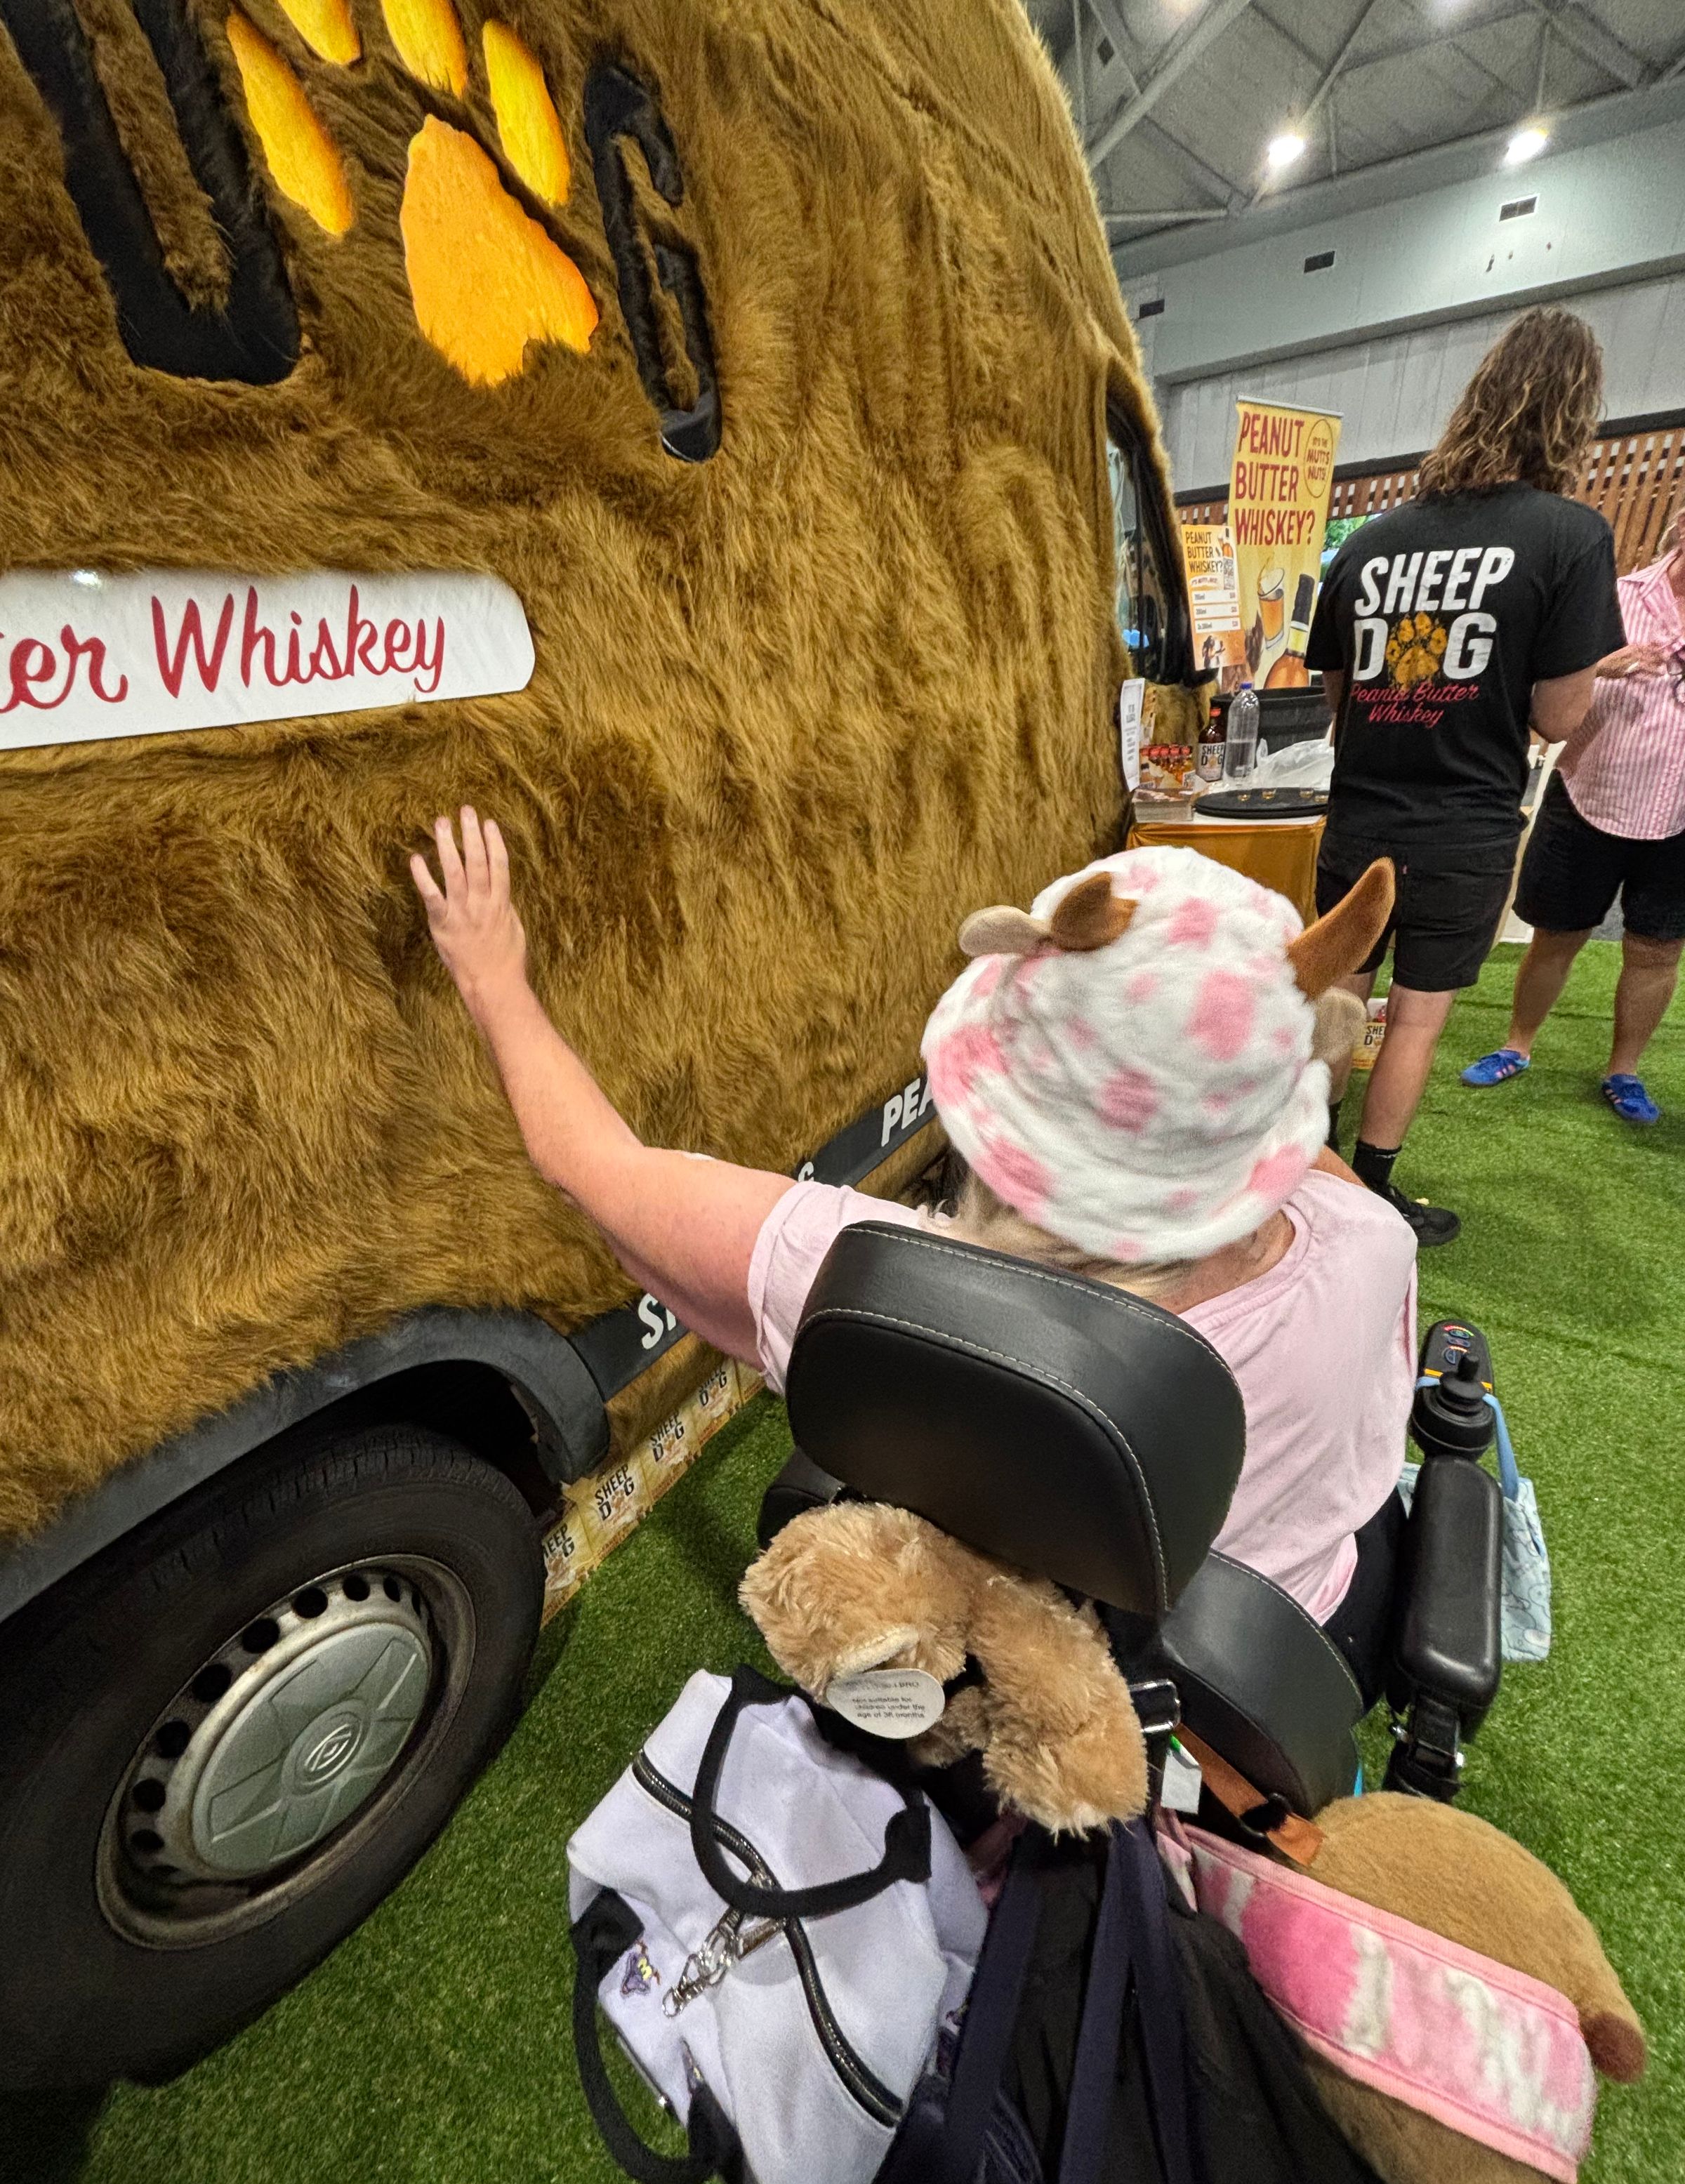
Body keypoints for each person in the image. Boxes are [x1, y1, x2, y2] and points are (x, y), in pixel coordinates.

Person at [410, 813, 1419, 1699]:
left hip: (1021, 1683)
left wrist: (492, 975)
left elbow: (592, 1165)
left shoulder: (896, 1291)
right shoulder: (1372, 1241)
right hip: (1281, 1660)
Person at [1305, 307, 1625, 1245]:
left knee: (1337, 1000)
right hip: (1466, 823)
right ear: (1572, 417)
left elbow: (1339, 696)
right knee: (1412, 1020)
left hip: (1360, 818)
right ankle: (1367, 1196)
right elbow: (1561, 719)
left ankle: (1300, 1165)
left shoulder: (1369, 541)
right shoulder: (1570, 535)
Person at [1462, 509, 1685, 1123]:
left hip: (1678, 813)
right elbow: (1545, 685)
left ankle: (1625, 1072)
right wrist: (1602, 666)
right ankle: (1517, 1045)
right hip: (1589, 790)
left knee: (1657, 949)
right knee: (1555, 936)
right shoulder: (1617, 596)